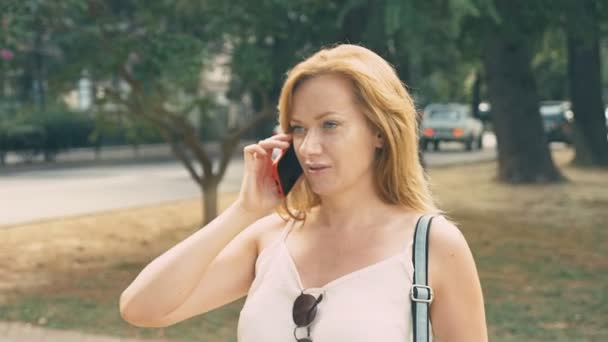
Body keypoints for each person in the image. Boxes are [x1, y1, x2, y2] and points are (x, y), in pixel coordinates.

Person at [119, 44, 488, 341]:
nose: (309, 147)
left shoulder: (433, 245)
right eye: (298, 128)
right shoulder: (270, 238)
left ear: (379, 131)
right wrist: (244, 212)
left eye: (330, 125)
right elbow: (142, 308)